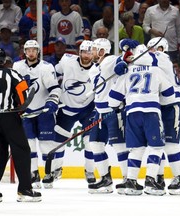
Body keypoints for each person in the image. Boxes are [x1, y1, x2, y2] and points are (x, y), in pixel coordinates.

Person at [108, 44, 176, 196]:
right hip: (151, 112)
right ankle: (150, 181)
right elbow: (170, 95)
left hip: (132, 113)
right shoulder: (156, 70)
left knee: (136, 149)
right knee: (156, 148)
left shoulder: (127, 71)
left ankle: (131, 182)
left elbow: (112, 100)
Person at [0, 47, 42, 202]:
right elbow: (24, 97)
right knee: (21, 150)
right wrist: (21, 109)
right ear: (4, 61)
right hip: (10, 117)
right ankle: (24, 189)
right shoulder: (13, 73)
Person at [12, 39, 61, 189]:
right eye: (28, 50)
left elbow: (54, 88)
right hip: (25, 112)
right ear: (24, 52)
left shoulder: (46, 67)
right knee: (29, 145)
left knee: (46, 145)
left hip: (43, 111)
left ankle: (48, 173)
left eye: (34, 50)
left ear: (38, 52)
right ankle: (34, 173)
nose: (31, 53)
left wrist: (52, 101)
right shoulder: (17, 66)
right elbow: (13, 89)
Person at [51, 40, 96, 188]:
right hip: (67, 107)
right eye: (84, 52)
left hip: (87, 109)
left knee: (89, 142)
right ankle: (57, 169)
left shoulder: (97, 69)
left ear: (93, 54)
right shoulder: (66, 61)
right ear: (79, 52)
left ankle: (89, 172)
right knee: (59, 141)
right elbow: (54, 73)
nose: (86, 55)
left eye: (89, 52)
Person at [144, 37, 180, 195]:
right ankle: (159, 177)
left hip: (173, 105)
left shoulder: (163, 59)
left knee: (170, 145)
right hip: (159, 106)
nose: (152, 50)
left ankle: (179, 179)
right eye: (150, 48)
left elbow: (147, 59)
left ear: (164, 48)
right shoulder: (152, 59)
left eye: (156, 48)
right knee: (157, 145)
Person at [88, 38, 129, 194]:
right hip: (99, 112)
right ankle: (105, 179)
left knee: (120, 146)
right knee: (95, 144)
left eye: (94, 49)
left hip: (114, 111)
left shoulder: (111, 60)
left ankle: (127, 179)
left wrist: (122, 66)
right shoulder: (93, 69)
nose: (91, 52)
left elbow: (127, 59)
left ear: (102, 51)